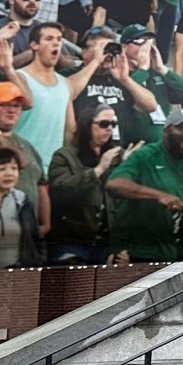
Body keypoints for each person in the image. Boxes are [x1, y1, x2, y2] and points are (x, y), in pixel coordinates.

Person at [106, 106, 183, 264]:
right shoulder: (146, 155)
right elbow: (114, 184)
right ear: (167, 130)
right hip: (141, 251)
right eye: (181, 127)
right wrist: (159, 196)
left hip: (180, 252)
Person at [7, 22, 105, 168]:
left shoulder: (65, 84)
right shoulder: (20, 77)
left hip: (52, 168)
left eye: (59, 39)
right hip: (23, 164)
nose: (56, 44)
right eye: (49, 39)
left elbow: (69, 131)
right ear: (34, 45)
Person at [0, 83, 52, 239]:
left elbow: (41, 187)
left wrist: (45, 225)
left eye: (17, 106)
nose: (12, 110)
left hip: (29, 233)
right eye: (5, 104)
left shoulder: (26, 145)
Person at [45, 107, 125, 265]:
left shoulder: (116, 155)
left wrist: (129, 167)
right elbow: (60, 190)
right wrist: (98, 170)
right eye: (104, 123)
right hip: (72, 239)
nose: (109, 128)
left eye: (113, 124)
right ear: (87, 125)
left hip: (107, 241)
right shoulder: (64, 156)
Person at [0, 146, 39, 268]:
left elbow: (34, 240)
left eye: (14, 168)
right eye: (2, 169)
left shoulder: (22, 201)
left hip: (18, 272)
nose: (9, 174)